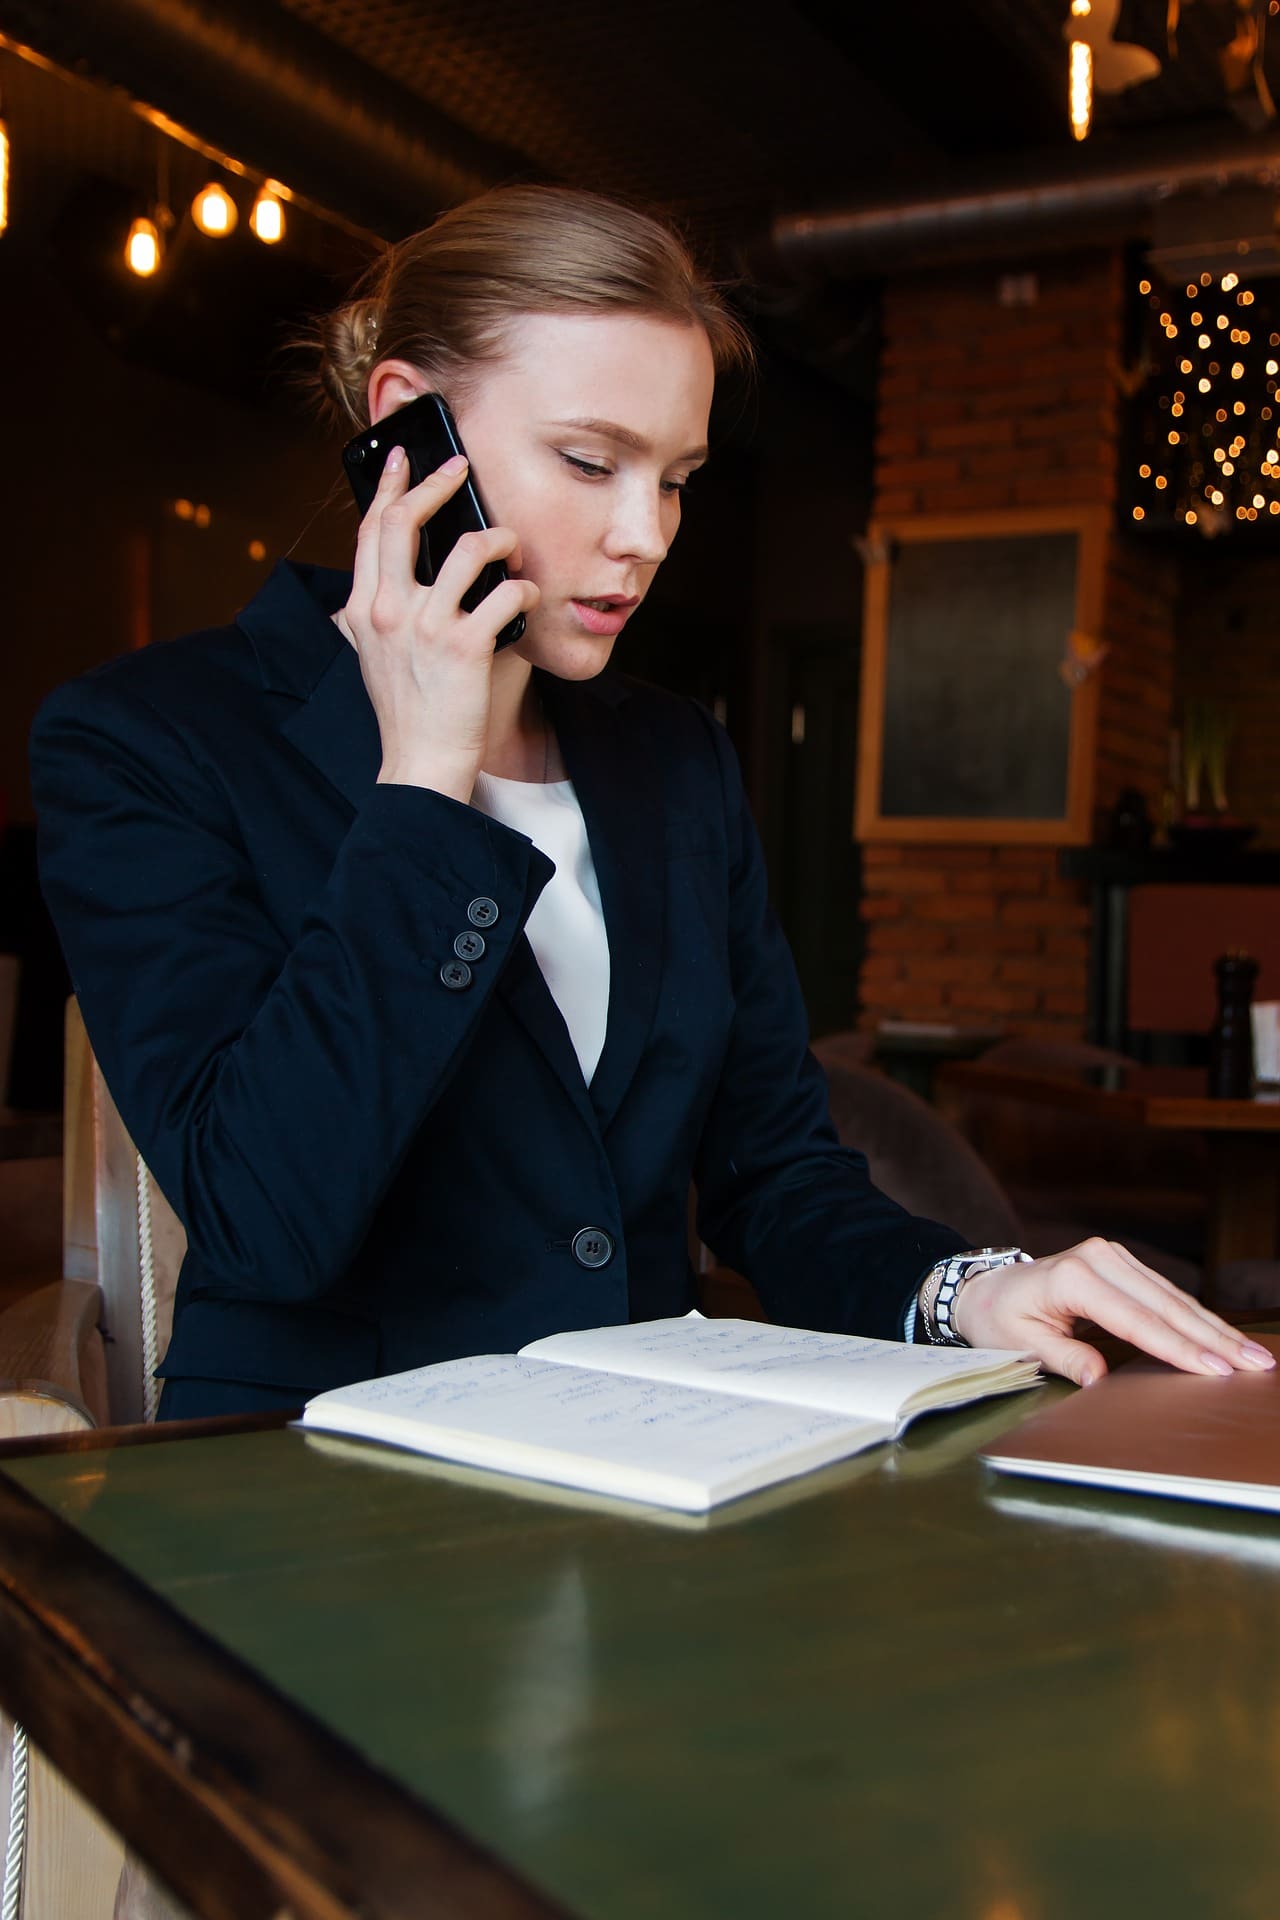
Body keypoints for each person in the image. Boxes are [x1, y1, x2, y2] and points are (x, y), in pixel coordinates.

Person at [31, 185, 1273, 1419]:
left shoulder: (675, 760)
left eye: (675, 476)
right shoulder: (147, 742)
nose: (646, 535)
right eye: (588, 461)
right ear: (410, 428)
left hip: (641, 1472)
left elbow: (775, 1173)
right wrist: (422, 778)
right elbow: (267, 1219)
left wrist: (959, 1291)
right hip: (305, 1488)